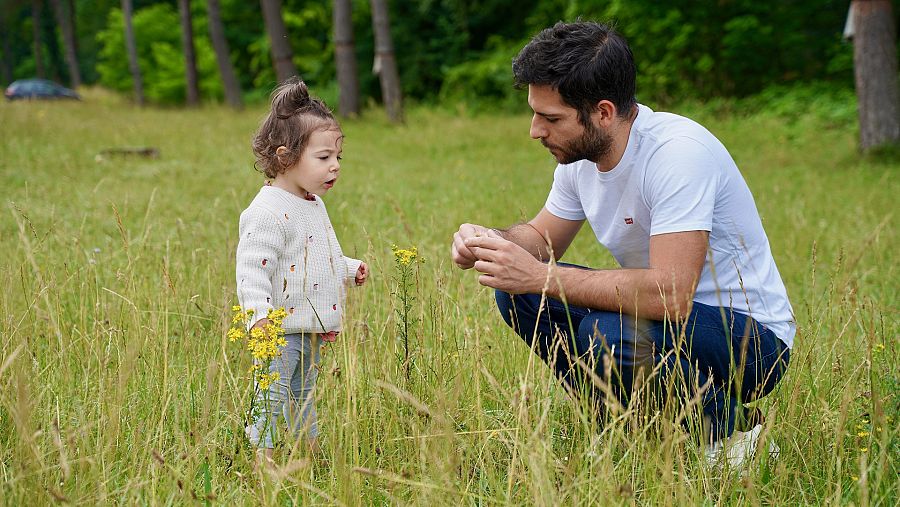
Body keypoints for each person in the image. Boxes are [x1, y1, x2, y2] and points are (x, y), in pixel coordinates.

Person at [451, 21, 793, 469]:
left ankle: (736, 437)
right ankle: (624, 424)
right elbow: (539, 238)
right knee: (519, 296)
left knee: (607, 334)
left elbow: (670, 296)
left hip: (751, 342)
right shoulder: (581, 159)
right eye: (535, 113)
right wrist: (493, 242)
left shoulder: (678, 154)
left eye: (551, 118)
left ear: (604, 112)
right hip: (668, 324)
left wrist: (541, 276)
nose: (535, 130)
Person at [236, 78, 368, 466]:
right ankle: (265, 458)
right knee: (273, 395)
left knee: (304, 392)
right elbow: (253, 271)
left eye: (339, 157)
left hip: (309, 324)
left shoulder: (310, 204)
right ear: (285, 157)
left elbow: (314, 255)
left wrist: (348, 268)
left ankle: (307, 452)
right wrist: (258, 317)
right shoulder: (266, 211)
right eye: (324, 157)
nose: (335, 167)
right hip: (280, 328)